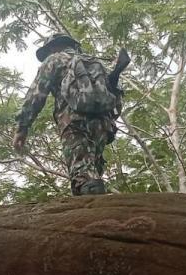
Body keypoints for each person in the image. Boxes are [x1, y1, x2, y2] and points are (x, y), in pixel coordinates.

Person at [13, 34, 122, 196]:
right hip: (103, 124)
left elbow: (36, 96)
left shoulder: (54, 60)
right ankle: (93, 200)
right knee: (93, 168)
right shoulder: (95, 63)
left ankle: (92, 207)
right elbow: (115, 96)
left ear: (52, 48)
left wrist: (22, 127)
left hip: (74, 121)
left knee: (82, 173)